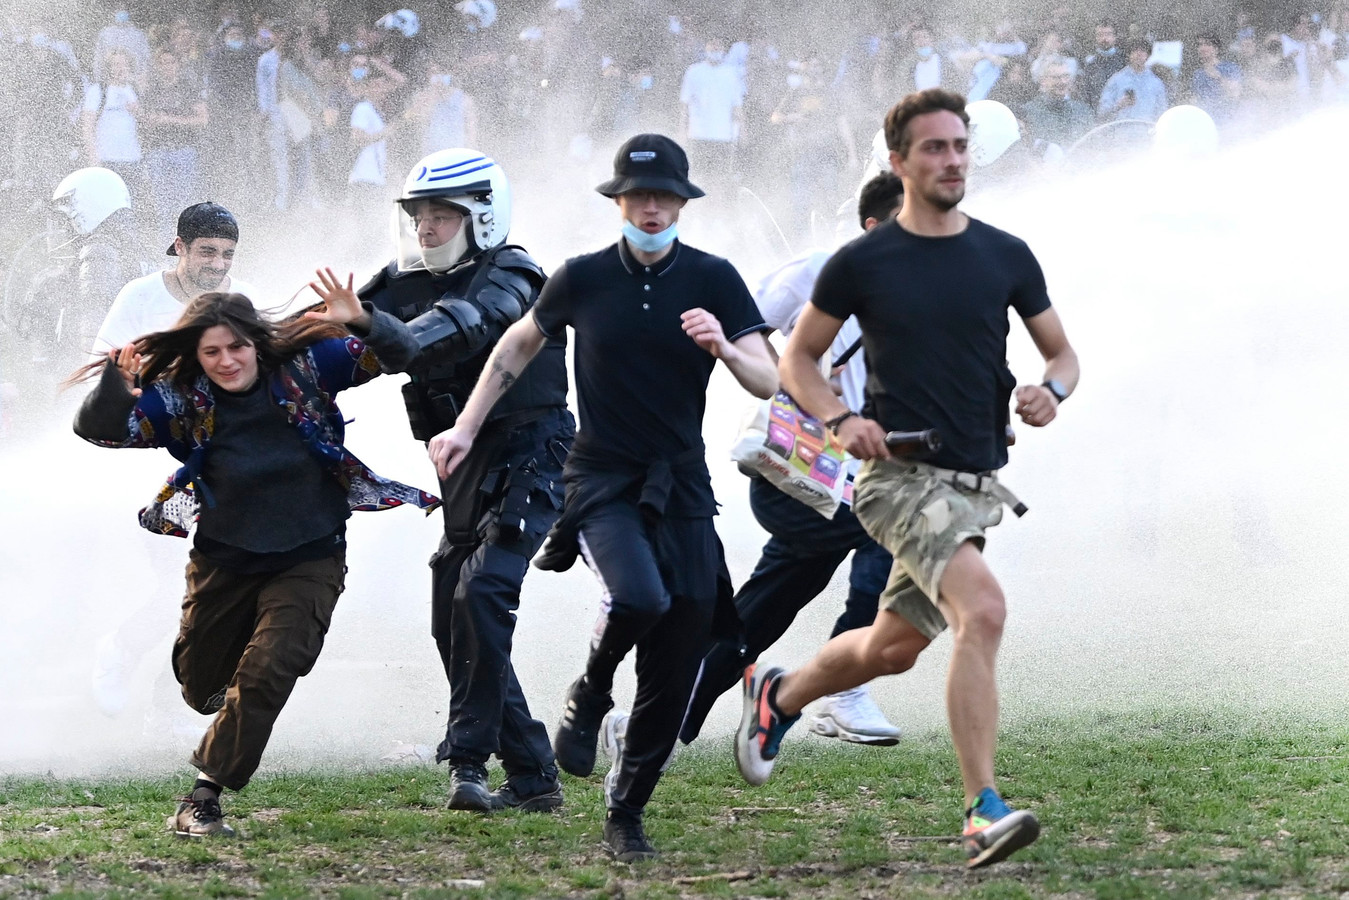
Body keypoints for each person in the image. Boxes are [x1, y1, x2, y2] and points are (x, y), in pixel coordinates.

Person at [733, 88, 1079, 870]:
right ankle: (980, 810)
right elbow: (796, 357)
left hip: (972, 484)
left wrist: (1046, 393)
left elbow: (1062, 355)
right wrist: (835, 419)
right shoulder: (862, 261)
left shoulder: (1004, 254)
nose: (952, 159)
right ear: (899, 161)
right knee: (982, 610)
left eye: (959, 146)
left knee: (891, 648)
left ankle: (779, 697)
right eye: (933, 148)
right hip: (896, 480)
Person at [426, 134, 777, 860]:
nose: (651, 208)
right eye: (638, 196)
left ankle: (626, 810)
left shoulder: (713, 278)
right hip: (599, 478)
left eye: (664, 197)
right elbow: (517, 346)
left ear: (681, 203)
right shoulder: (581, 277)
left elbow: (767, 379)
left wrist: (725, 346)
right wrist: (463, 427)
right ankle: (589, 693)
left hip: (681, 481)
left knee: (680, 647)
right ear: (618, 202)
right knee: (638, 597)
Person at [71, 282, 440, 837]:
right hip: (224, 559)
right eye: (212, 351)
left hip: (311, 553)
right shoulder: (179, 397)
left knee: (270, 667)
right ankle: (223, 689)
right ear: (196, 355)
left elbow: (402, 353)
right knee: (200, 688)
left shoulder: (309, 366)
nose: (227, 361)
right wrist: (115, 388)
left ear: (257, 343)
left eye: (237, 347)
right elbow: (97, 432)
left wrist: (363, 320)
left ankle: (203, 797)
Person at [357, 149, 573, 814]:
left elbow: (465, 325)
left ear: (480, 217)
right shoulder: (396, 283)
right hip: (462, 465)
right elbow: (333, 344)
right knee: (451, 614)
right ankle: (534, 777)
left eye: (443, 215)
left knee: (480, 592)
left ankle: (468, 761)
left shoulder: (513, 270)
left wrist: (374, 331)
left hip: (534, 450)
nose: (426, 227)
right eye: (420, 214)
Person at [676, 172, 906, 752]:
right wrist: (797, 380)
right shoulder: (818, 270)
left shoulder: (933, 289)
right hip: (804, 467)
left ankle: (669, 707)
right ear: (873, 227)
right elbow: (746, 326)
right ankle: (844, 690)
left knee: (769, 602)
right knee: (892, 532)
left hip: (874, 469)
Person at [94, 202, 258, 355]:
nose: (218, 265)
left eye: (228, 254)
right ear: (180, 246)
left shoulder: (246, 297)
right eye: (207, 252)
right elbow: (102, 370)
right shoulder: (140, 295)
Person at [1098, 38, 1169, 123]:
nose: (1138, 54)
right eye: (1135, 51)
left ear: (1148, 55)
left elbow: (1162, 113)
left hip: (1147, 132)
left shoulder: (1156, 83)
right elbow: (1102, 111)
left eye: (1142, 51)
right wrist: (1118, 106)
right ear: (1129, 55)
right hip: (1121, 132)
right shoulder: (1116, 80)